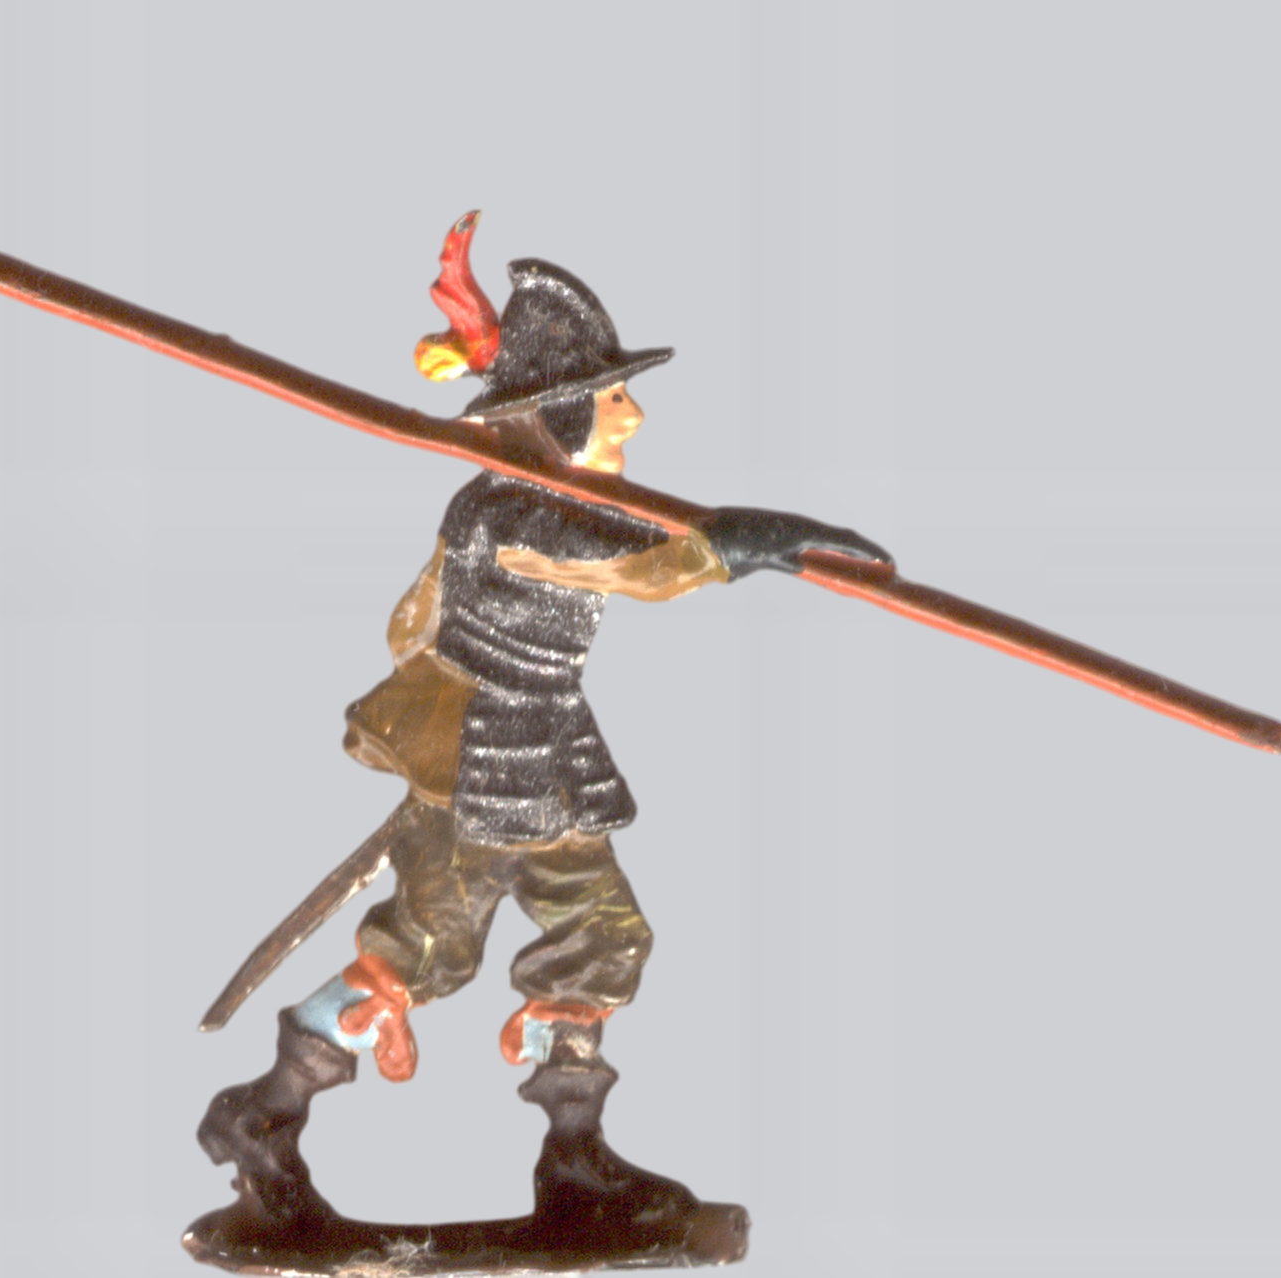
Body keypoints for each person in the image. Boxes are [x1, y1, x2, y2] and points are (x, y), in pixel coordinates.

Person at [195, 258, 889, 1246]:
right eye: (612, 400)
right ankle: (263, 1118)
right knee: (426, 951)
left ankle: (575, 1154)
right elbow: (646, 569)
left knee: (601, 935)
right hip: (483, 768)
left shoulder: (518, 502)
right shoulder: (522, 513)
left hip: (543, 758)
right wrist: (757, 541)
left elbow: (411, 623)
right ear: (560, 416)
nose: (631, 418)